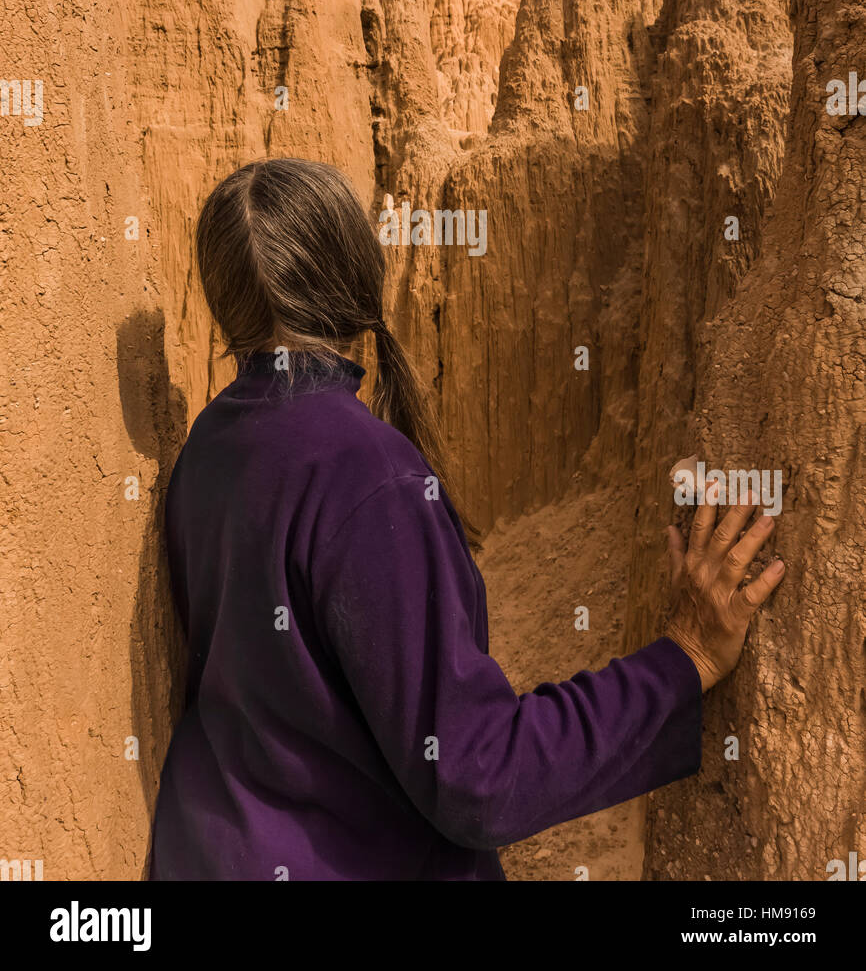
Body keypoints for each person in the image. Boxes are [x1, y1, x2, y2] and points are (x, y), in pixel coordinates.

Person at [149, 157, 784, 881]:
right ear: (358, 279)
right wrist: (686, 661)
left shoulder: (208, 448)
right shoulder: (368, 476)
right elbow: (476, 776)